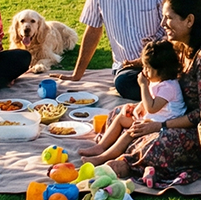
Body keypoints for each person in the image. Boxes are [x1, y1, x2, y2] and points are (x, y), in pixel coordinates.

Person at [99, 0, 201, 189]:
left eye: (168, 18)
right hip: (178, 114)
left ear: (189, 20)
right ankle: (126, 153)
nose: (162, 24)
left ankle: (128, 162)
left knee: (161, 141)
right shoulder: (180, 45)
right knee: (121, 113)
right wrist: (144, 107)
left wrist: (161, 126)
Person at [77, 40, 186, 172]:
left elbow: (152, 107)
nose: (144, 71)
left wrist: (143, 85)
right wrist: (137, 107)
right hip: (153, 118)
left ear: (162, 70)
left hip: (163, 124)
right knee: (120, 118)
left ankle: (102, 157)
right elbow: (150, 100)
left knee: (130, 133)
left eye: (148, 68)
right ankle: (101, 146)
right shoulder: (157, 81)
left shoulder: (169, 86)